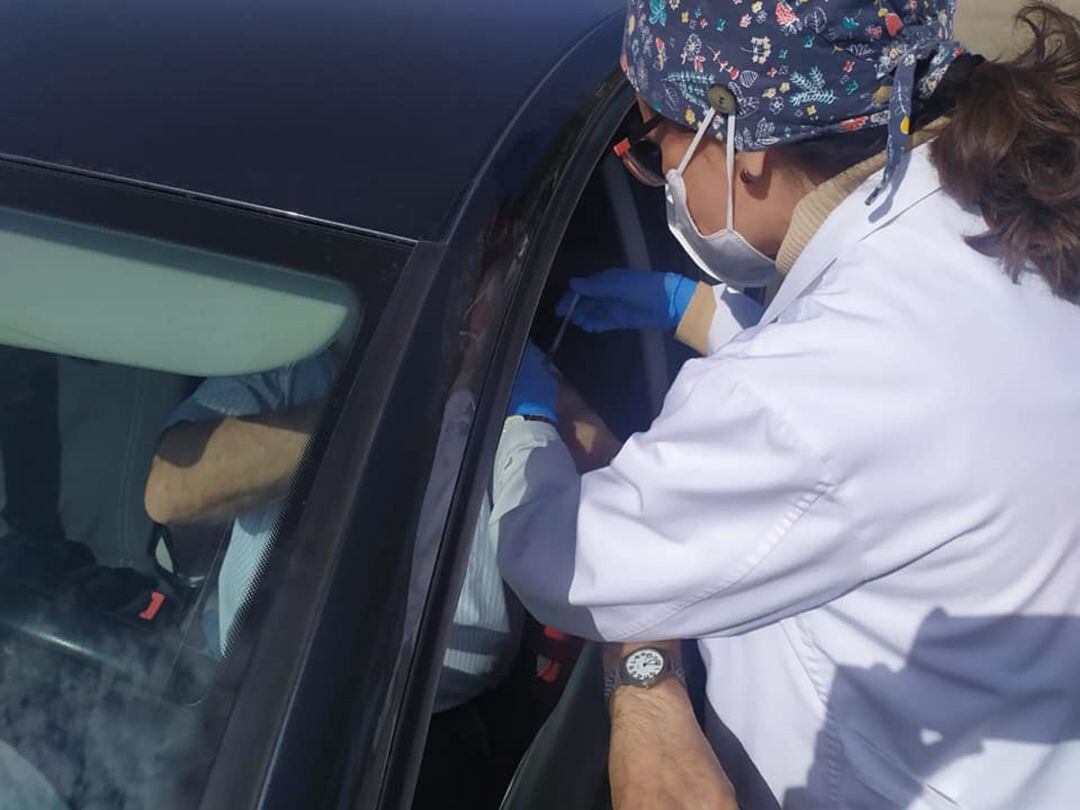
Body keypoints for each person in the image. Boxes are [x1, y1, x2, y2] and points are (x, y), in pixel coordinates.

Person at [493, 2, 1080, 808]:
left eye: (651, 146)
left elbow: (564, 563)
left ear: (744, 150)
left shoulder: (808, 393)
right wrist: (688, 309)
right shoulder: (984, 207)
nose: (655, 176)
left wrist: (519, 413)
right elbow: (882, 422)